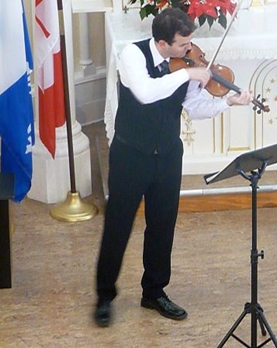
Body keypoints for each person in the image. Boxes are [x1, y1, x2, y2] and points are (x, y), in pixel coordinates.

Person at [93, 8, 253, 328]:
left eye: (189, 43)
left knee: (162, 226)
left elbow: (194, 108)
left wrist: (227, 103)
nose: (189, 50)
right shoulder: (132, 55)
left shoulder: (188, 64)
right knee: (118, 226)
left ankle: (154, 291)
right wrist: (187, 74)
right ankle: (105, 296)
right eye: (183, 45)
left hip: (167, 155)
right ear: (163, 43)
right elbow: (146, 91)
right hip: (130, 156)